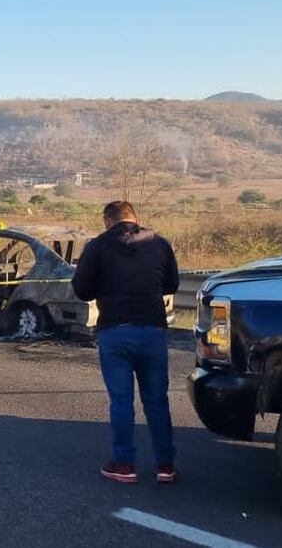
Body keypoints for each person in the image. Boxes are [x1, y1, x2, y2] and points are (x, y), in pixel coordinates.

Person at [71, 200, 180, 485]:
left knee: (121, 401)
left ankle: (124, 465)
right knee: (157, 400)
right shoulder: (159, 243)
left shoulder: (97, 246)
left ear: (108, 221)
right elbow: (172, 284)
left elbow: (81, 290)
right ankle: (165, 466)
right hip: (153, 331)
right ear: (135, 217)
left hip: (115, 332)